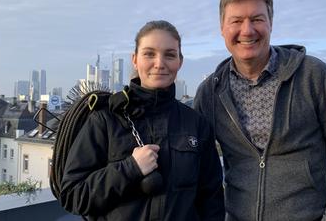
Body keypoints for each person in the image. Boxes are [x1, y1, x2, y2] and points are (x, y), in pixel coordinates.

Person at [194, 0, 326, 221]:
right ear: (222, 28)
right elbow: (193, 163)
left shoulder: (312, 75)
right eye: (237, 21)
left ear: (271, 23)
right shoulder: (210, 93)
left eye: (257, 19)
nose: (247, 30)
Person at [60, 20, 225, 220]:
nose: (159, 63)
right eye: (149, 53)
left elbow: (211, 200)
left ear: (180, 62)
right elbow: (72, 195)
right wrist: (130, 168)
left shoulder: (196, 124)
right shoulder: (106, 119)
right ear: (135, 59)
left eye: (170, 55)